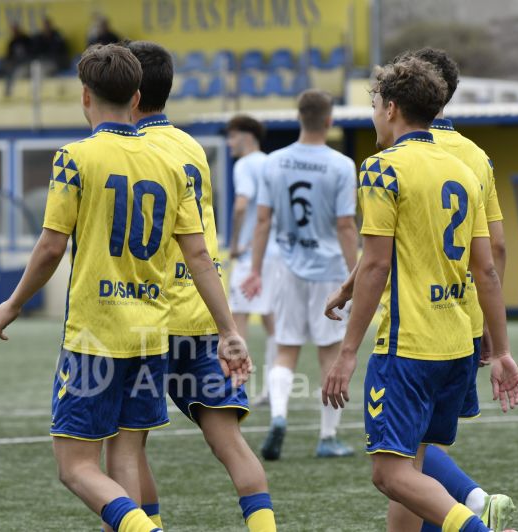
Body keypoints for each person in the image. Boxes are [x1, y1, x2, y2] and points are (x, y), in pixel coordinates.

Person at [0, 44, 250, 532]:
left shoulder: (75, 157)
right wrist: (228, 328)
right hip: (152, 332)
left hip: (95, 333)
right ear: (135, 97)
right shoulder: (171, 163)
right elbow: (198, 255)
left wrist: (13, 303)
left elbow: (50, 248)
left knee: (75, 467)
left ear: (84, 97)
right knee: (124, 455)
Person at [321, 58, 518, 532]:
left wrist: (347, 353)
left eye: (374, 105)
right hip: (457, 343)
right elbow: (488, 269)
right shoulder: (463, 169)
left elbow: (376, 263)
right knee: (413, 466)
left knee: (390, 474)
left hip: (409, 348)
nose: (373, 114)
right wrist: (503, 350)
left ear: (391, 109)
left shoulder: (382, 169)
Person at [125, 41, 276, 531]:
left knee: (127, 445)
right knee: (229, 443)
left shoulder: (128, 149)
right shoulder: (191, 146)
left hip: (147, 313)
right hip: (201, 310)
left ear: (128, 89)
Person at [242, 89, 358, 460]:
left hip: (286, 268)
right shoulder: (341, 165)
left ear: (299, 118)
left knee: (285, 352)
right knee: (330, 355)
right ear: (329, 120)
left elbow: (262, 220)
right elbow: (344, 225)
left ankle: (278, 417)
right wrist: (353, 276)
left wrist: (256, 270)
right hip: (328, 273)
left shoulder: (273, 162)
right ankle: (327, 437)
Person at [225, 115, 278, 407]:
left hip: (249, 256)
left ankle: (236, 387)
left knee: (237, 321)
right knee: (272, 323)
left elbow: (241, 205)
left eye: (232, 136)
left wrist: (234, 244)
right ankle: (273, 388)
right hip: (275, 254)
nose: (229, 143)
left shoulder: (245, 165)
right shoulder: (271, 162)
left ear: (246, 136)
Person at [2, 23, 34, 97]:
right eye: (13, 30)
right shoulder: (12, 42)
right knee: (5, 68)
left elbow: (32, 54)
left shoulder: (26, 40)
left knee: (18, 72)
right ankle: (8, 92)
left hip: (27, 64)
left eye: (15, 30)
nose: (14, 32)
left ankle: (11, 91)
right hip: (15, 65)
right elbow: (9, 56)